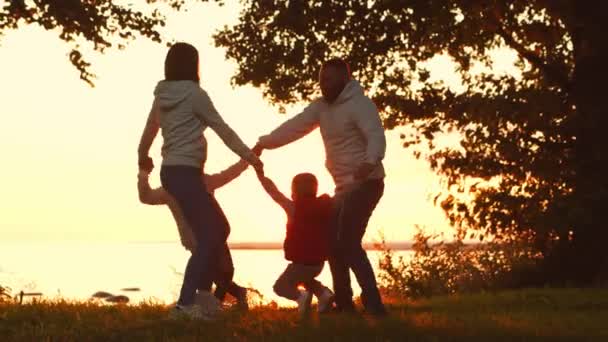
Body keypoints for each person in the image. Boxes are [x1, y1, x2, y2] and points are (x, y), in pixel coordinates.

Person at [137, 42, 263, 320]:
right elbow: (222, 129)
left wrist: (142, 155)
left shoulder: (162, 96)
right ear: (194, 65)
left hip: (172, 172)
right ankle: (185, 305)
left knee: (217, 230)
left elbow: (150, 128)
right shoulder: (195, 95)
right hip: (185, 173)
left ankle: (204, 298)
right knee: (212, 233)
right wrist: (250, 157)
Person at [255, 58, 387, 316]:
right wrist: (264, 143)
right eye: (320, 78)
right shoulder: (321, 108)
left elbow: (375, 134)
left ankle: (374, 305)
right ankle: (344, 304)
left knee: (347, 242)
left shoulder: (360, 104)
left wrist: (370, 161)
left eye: (328, 79)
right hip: (343, 188)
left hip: (366, 183)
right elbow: (294, 127)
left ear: (344, 79)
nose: (322, 84)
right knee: (333, 245)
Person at [137, 147, 258, 310]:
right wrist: (143, 173)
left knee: (223, 273)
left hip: (215, 236)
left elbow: (231, 173)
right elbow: (146, 197)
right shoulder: (169, 189)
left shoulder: (205, 181)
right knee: (213, 275)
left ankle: (222, 302)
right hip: (194, 241)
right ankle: (223, 301)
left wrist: (250, 156)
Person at [256, 171, 335, 317]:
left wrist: (261, 175)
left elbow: (274, 193)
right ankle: (323, 294)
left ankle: (301, 298)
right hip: (318, 263)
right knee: (305, 279)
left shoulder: (294, 208)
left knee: (280, 287)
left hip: (301, 263)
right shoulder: (324, 206)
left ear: (294, 191)